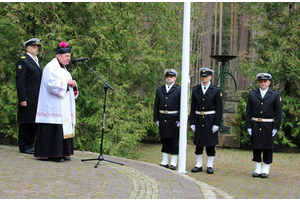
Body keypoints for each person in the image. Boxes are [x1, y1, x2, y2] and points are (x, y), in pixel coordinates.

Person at [34, 42, 79, 162]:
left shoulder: (64, 69)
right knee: (54, 129)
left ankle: (63, 153)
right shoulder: (51, 67)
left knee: (62, 128)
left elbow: (68, 84)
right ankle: (53, 154)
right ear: (59, 56)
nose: (69, 59)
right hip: (52, 106)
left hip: (62, 106)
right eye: (66, 56)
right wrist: (67, 83)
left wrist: (73, 84)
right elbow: (51, 84)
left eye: (69, 56)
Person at [245, 73, 282, 178]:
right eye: (261, 82)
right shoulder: (253, 94)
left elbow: (278, 113)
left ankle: (265, 169)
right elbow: (248, 112)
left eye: (265, 81)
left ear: (269, 82)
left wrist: (276, 127)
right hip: (256, 123)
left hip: (268, 124)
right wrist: (248, 125)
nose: (263, 83)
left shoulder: (274, 95)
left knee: (267, 147)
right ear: (258, 83)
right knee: (256, 146)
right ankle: (257, 168)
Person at [190, 67, 222, 174]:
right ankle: (198, 165)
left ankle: (209, 165)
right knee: (198, 144)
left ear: (210, 77)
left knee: (210, 145)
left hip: (210, 120)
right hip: (199, 120)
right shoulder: (195, 90)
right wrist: (192, 122)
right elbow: (193, 107)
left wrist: (217, 123)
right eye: (202, 76)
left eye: (206, 76)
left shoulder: (216, 90)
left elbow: (219, 109)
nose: (204, 78)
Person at [16, 38, 43, 154]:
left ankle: (30, 144)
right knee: (25, 121)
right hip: (27, 97)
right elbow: (20, 82)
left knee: (33, 121)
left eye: (37, 47)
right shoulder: (24, 61)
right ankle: (23, 145)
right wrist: (22, 98)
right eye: (34, 47)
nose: (36, 49)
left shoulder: (37, 61)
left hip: (36, 97)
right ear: (28, 48)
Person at [154, 69, 181, 170]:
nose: (168, 78)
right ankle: (165, 161)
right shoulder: (160, 89)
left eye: (170, 77)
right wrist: (156, 118)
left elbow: (181, 106)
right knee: (164, 140)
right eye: (167, 77)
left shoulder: (178, 90)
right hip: (162, 118)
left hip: (173, 118)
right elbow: (156, 105)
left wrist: (179, 119)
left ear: (175, 78)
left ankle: (173, 162)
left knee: (173, 141)